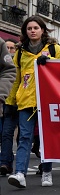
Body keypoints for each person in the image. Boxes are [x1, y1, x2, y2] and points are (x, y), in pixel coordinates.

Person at [6, 16, 60, 189]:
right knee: (24, 137)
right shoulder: (20, 52)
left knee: (46, 139)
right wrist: (10, 100)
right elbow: (16, 78)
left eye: (35, 28)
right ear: (25, 31)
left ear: (43, 30)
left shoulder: (54, 49)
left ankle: (46, 172)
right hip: (26, 101)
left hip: (47, 100)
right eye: (29, 28)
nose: (32, 31)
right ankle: (20, 173)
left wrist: (50, 61)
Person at [0, 38, 17, 183]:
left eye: (13, 48)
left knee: (20, 136)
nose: (10, 50)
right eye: (8, 48)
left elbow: (10, 73)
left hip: (15, 102)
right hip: (7, 103)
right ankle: (5, 162)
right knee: (5, 134)